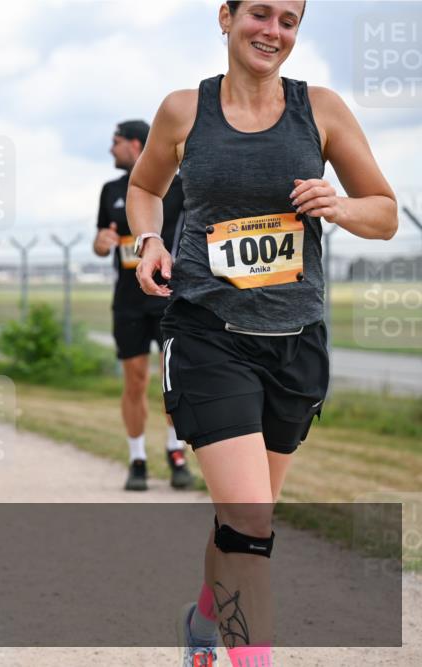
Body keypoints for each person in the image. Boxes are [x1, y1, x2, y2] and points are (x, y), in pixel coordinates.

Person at [127, 2, 398, 666]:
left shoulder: (322, 111)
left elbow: (385, 212)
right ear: (226, 16)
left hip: (295, 342)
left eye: (288, 19)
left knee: (244, 520)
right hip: (208, 333)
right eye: (258, 14)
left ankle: (201, 619)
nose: (271, 31)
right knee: (251, 522)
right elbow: (144, 187)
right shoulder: (184, 110)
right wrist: (150, 240)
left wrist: (339, 204)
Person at [94, 119, 194, 492]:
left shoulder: (182, 187)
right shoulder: (110, 190)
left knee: (175, 381)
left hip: (171, 298)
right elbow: (102, 240)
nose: (111, 149)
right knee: (134, 381)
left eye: (116, 141)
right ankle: (137, 458)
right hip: (128, 301)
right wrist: (101, 243)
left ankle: (175, 453)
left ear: (136, 144)